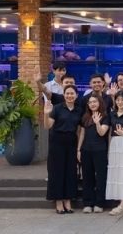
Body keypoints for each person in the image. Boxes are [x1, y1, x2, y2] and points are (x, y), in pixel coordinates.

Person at [43, 84, 81, 214]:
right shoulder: (57, 108)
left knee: (70, 172)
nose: (70, 96)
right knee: (57, 172)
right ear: (64, 95)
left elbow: (80, 129)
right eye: (67, 93)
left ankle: (67, 200)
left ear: (76, 95)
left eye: (72, 93)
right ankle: (58, 201)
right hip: (57, 142)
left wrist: (79, 148)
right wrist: (46, 114)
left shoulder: (78, 110)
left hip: (71, 142)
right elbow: (47, 126)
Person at [77, 92, 109, 213]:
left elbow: (102, 133)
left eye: (94, 102)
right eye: (90, 102)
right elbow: (82, 133)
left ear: (99, 103)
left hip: (100, 150)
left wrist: (97, 123)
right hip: (86, 150)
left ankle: (99, 203)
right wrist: (78, 149)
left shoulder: (105, 116)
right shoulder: (85, 117)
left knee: (101, 177)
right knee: (87, 177)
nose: (92, 104)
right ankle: (88, 203)